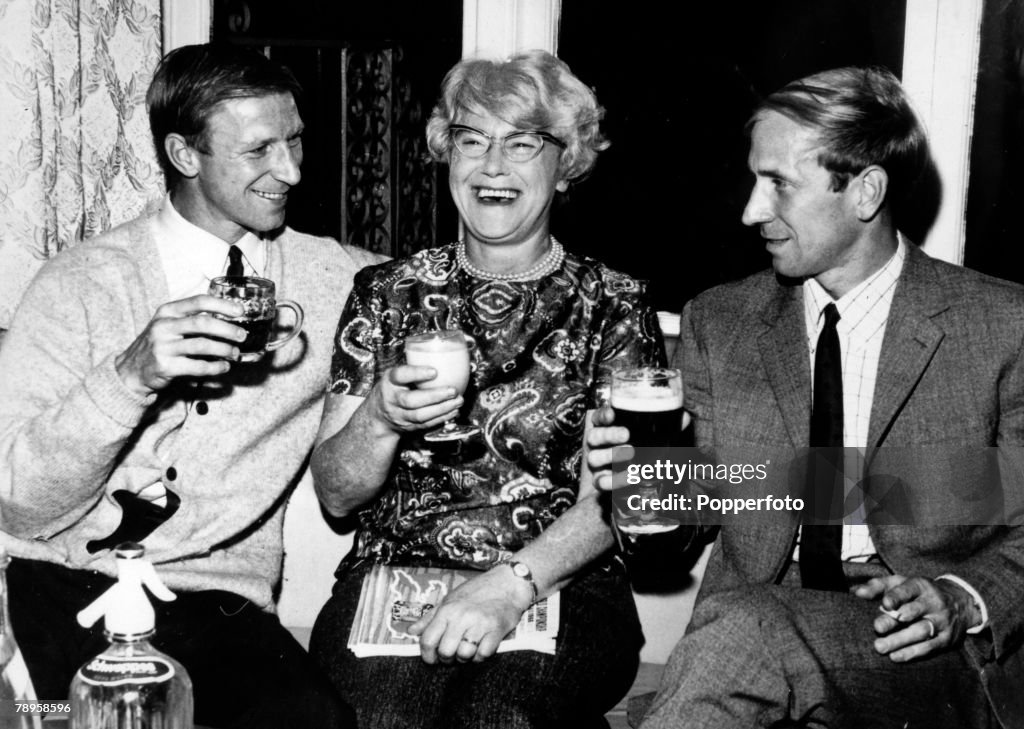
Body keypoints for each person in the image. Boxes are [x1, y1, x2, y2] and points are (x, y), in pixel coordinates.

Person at [587, 65, 1024, 728]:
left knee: (744, 629)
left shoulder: (1001, 326)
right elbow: (682, 525)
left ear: (865, 191)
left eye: (779, 185)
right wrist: (643, 487)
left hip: (925, 653)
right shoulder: (722, 320)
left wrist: (961, 598)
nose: (750, 211)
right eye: (755, 179)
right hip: (756, 630)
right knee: (746, 626)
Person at [0, 43, 385, 728]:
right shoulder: (81, 282)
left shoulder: (338, 284)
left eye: (294, 142)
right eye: (259, 150)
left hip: (216, 601)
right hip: (60, 586)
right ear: (185, 155)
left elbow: (453, 291)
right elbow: (18, 506)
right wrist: (130, 376)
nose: (291, 170)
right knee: (72, 717)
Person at [308, 49, 664, 729]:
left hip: (565, 582)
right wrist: (379, 418)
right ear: (447, 156)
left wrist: (508, 587)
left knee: (498, 715)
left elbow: (617, 500)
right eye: (471, 140)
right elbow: (336, 494)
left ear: (567, 166)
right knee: (379, 717)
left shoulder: (614, 302)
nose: (491, 165)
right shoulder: (386, 292)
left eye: (523, 143)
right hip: (397, 576)